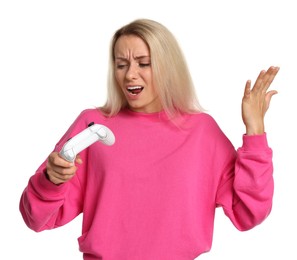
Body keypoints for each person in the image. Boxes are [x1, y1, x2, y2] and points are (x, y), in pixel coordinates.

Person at [19, 18, 279, 260]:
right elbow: (36, 218)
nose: (130, 74)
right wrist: (51, 180)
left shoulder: (202, 131)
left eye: (143, 63)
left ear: (168, 67)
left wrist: (255, 130)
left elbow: (249, 213)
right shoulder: (92, 126)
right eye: (121, 64)